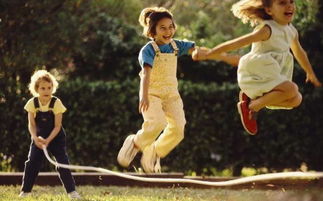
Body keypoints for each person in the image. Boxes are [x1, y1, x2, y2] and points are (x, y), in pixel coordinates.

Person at [117, 7, 239, 173]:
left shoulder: (176, 45)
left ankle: (154, 151)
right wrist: (143, 96)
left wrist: (198, 52)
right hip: (152, 93)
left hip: (171, 95)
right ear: (152, 31)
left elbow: (194, 48)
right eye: (163, 28)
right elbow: (146, 74)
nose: (168, 31)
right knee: (157, 122)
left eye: (170, 26)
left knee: (178, 129)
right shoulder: (148, 50)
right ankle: (135, 142)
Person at [192, 0, 321, 135]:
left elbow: (299, 52)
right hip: (257, 72)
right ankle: (253, 107)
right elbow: (237, 43)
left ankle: (253, 103)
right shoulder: (268, 29)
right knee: (292, 88)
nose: (289, 6)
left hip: (272, 73)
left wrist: (309, 72)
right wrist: (210, 53)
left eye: (291, 1)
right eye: (282, 3)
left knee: (296, 99)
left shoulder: (292, 31)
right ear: (269, 10)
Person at [19, 70, 81, 199]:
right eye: (43, 88)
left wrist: (48, 140)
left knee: (63, 163)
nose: (46, 90)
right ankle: (25, 191)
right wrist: (35, 138)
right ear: (36, 89)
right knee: (32, 163)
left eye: (49, 87)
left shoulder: (56, 103)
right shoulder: (32, 103)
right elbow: (31, 124)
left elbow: (58, 126)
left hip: (56, 138)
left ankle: (72, 192)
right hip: (39, 138)